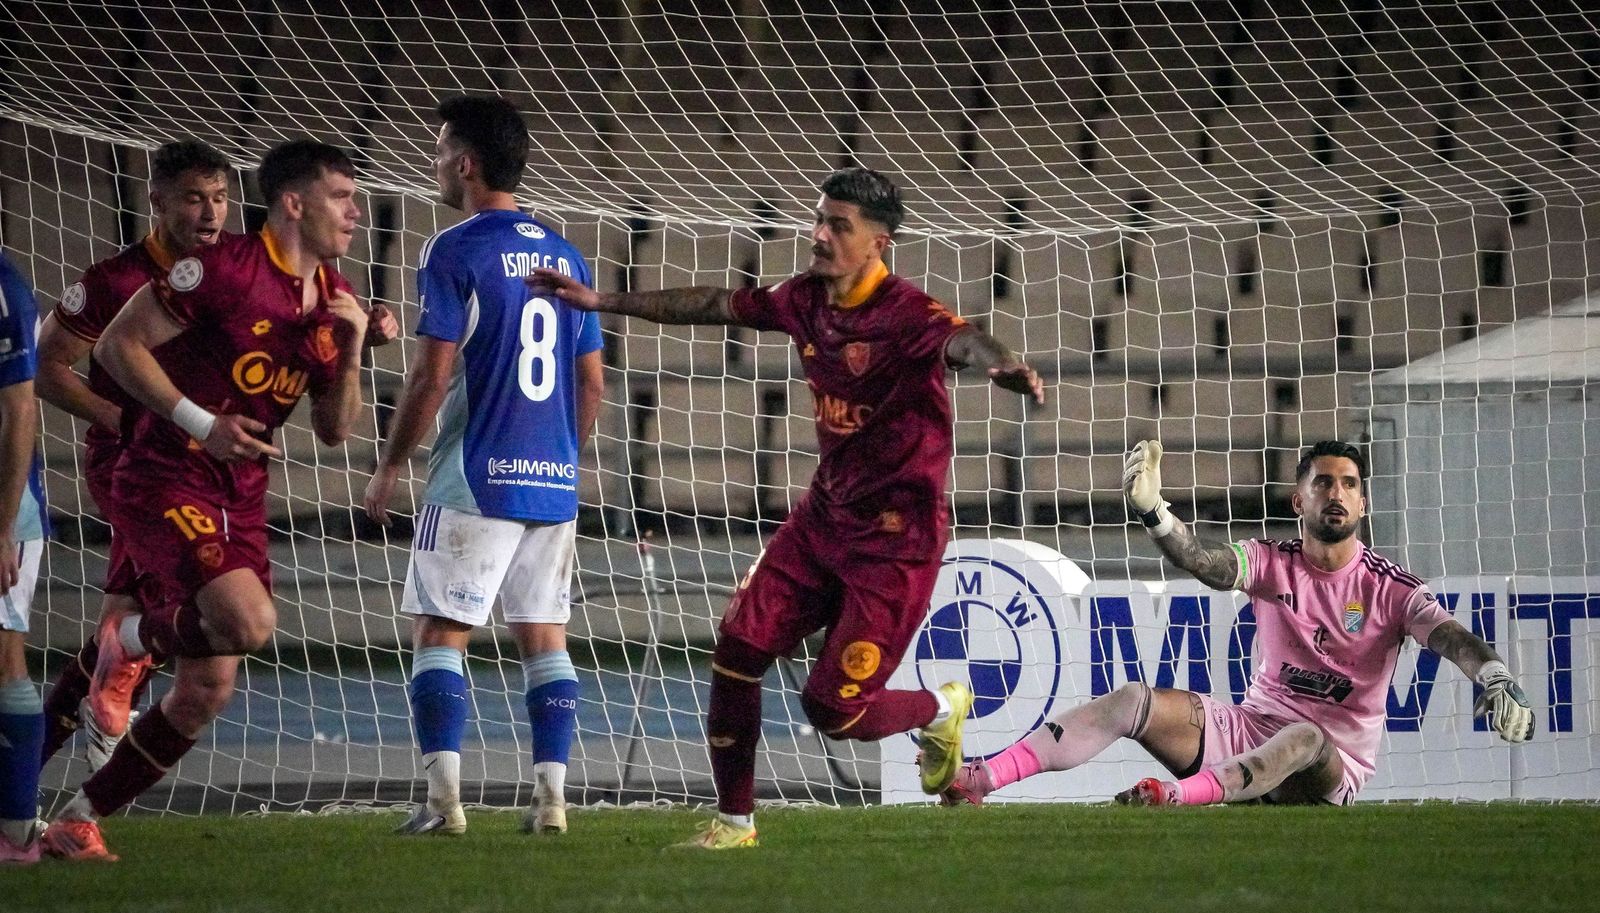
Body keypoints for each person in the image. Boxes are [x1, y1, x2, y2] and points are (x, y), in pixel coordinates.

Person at [532, 166, 1044, 848]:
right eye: (819, 219)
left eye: (839, 225)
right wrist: (602, 301)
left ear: (879, 243)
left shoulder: (908, 316)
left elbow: (965, 339)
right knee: (738, 648)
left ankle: (940, 706)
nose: (820, 234)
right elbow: (714, 303)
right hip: (822, 521)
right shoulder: (804, 299)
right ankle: (735, 822)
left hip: (895, 543)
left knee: (832, 708)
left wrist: (1000, 362)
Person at [40, 140, 378, 861]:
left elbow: (335, 429)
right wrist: (199, 421)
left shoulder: (332, 294)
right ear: (294, 202)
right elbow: (115, 347)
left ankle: (75, 819)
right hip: (164, 471)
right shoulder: (225, 269)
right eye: (342, 197)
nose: (356, 212)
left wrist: (350, 346)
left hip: (240, 493)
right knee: (248, 619)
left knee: (207, 688)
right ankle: (126, 642)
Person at [941, 439, 1535, 808]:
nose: (1336, 492)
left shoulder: (1389, 588)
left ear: (1363, 505)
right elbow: (1204, 563)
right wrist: (1154, 513)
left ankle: (1173, 798)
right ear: (1297, 500)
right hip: (1249, 733)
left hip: (1327, 767)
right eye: (1322, 481)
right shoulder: (1271, 561)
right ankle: (980, 778)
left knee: (1302, 737)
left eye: (1349, 485)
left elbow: (1453, 638)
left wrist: (1496, 675)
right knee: (1129, 700)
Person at [362, 94, 604, 838]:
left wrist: (392, 463)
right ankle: (553, 802)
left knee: (440, 632)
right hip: (553, 479)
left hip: (473, 474)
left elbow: (432, 375)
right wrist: (562, 456)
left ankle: (443, 804)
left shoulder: (453, 249)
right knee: (545, 636)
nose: (433, 163)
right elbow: (593, 382)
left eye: (439, 151)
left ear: (465, 163)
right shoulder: (567, 255)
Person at [35, 139, 231, 773]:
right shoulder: (115, 279)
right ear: (157, 202)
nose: (211, 213)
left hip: (203, 467)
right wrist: (122, 418)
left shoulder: (230, 274)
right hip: (131, 467)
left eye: (222, 198)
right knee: (195, 607)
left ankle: (29, 774)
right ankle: (105, 721)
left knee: (131, 621)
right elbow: (48, 366)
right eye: (195, 199)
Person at [0, 252, 50, 865]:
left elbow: (19, 409)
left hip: (9, 509)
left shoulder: (5, 288)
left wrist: (3, 525)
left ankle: (16, 835)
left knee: (4, 654)